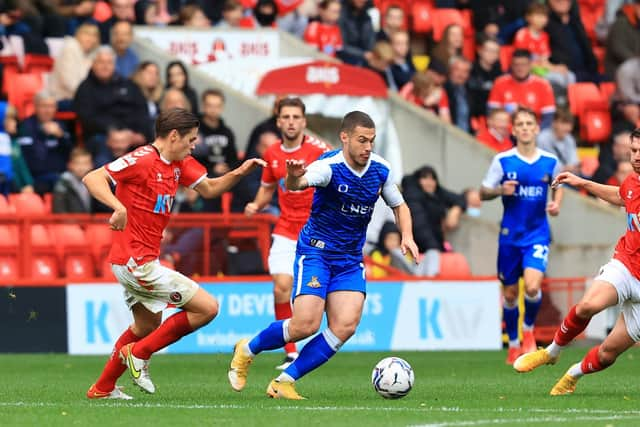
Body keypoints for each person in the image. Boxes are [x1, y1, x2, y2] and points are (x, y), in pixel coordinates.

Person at [228, 110, 419, 400]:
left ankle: (284, 381)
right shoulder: (328, 166)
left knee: (345, 325)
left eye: (372, 141)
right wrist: (293, 178)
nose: (368, 147)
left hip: (350, 259)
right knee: (305, 325)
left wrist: (407, 235)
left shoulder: (380, 169)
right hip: (316, 252)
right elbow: (299, 184)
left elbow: (400, 205)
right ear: (345, 137)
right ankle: (247, 349)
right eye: (362, 140)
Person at [83, 108, 265, 400]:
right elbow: (93, 178)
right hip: (135, 262)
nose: (195, 145)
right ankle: (139, 355)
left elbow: (209, 188)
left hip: (139, 260)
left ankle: (102, 388)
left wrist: (240, 172)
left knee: (146, 325)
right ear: (173, 136)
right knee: (207, 308)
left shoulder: (180, 163)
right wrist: (118, 207)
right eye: (191, 139)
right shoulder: (142, 159)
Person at [513, 129, 640, 395]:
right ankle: (551, 352)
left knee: (606, 354)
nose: (635, 157)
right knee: (586, 306)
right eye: (633, 151)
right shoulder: (632, 182)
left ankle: (573, 374)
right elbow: (621, 196)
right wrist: (583, 183)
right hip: (626, 265)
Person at [244, 97, 329, 370]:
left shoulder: (320, 150)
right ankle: (291, 351)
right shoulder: (272, 154)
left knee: (312, 296)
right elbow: (268, 185)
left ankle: (314, 340)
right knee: (281, 286)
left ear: (304, 121)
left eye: (296, 117)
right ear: (278, 121)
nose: (291, 122)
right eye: (286, 117)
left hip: (317, 231)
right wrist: (257, 204)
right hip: (286, 229)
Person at [480, 107, 563, 365]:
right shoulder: (503, 161)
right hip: (509, 236)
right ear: (514, 130)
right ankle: (514, 345)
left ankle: (528, 332)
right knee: (509, 294)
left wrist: (556, 203)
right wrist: (500, 190)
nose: (526, 128)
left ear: (537, 128)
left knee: (533, 285)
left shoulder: (550, 161)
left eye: (530, 123)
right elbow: (483, 192)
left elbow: (558, 186)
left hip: (537, 234)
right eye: (521, 124)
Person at [52, 147, 94, 213]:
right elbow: (59, 212)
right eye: (77, 163)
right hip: (69, 222)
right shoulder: (62, 184)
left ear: (91, 165)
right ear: (70, 165)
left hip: (90, 222)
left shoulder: (94, 183)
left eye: (85, 163)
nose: (81, 167)